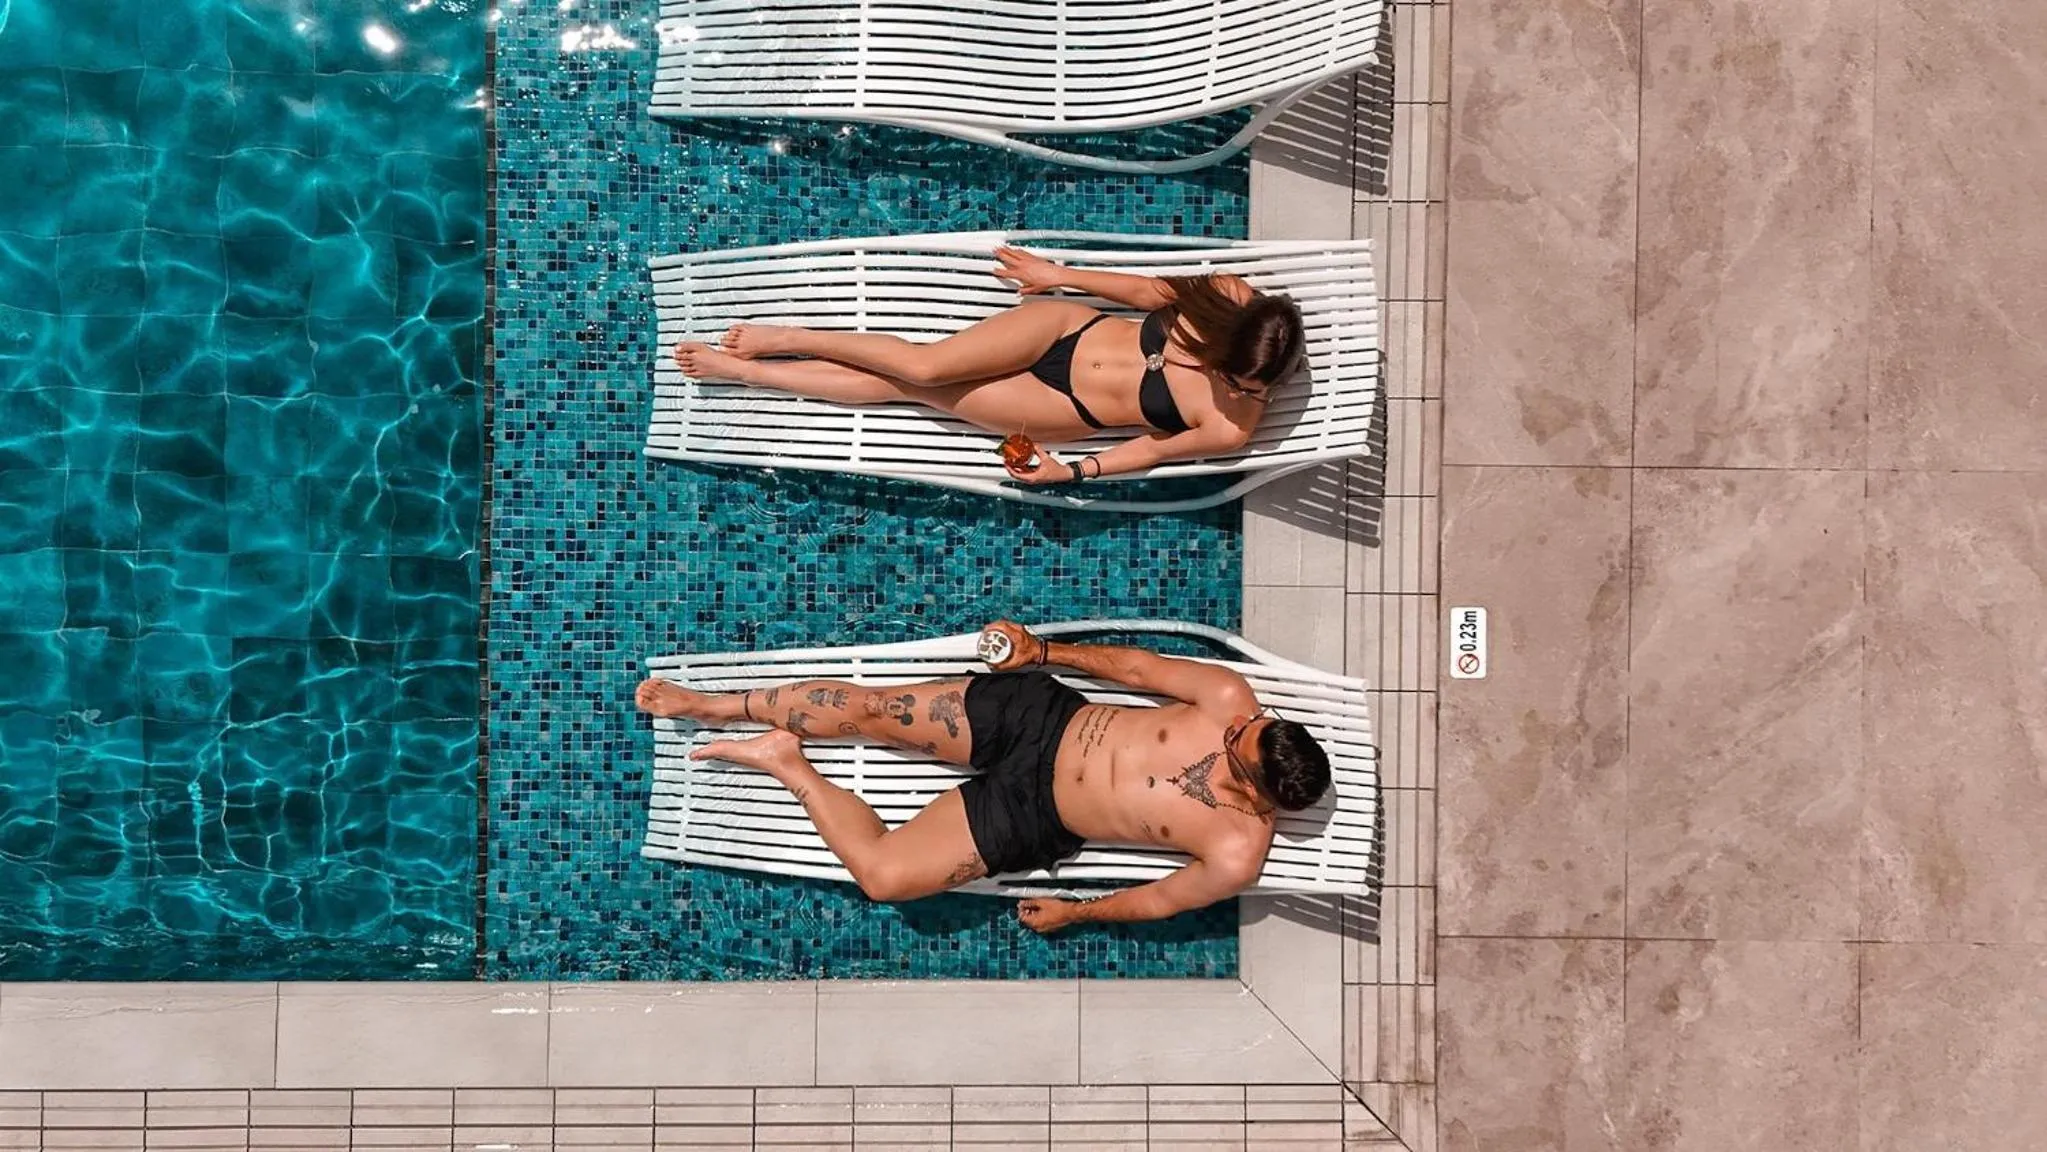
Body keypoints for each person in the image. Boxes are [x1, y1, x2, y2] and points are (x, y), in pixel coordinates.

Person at [633, 621, 1333, 933]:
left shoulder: (1236, 851)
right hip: (1039, 718)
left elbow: (1159, 902)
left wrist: (1077, 913)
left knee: (885, 879)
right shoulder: (1230, 700)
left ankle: (785, 760)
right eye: (1253, 723)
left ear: (1255, 789)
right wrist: (1042, 652)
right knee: (876, 710)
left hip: (1036, 814)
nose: (1238, 726)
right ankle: (715, 706)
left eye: (1240, 744)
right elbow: (1138, 669)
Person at [670, 246, 1308, 486]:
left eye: (1242, 386)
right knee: (925, 367)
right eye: (1228, 371)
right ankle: (791, 336)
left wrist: (1074, 471)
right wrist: (1059, 275)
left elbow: (1151, 449)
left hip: (1066, 407)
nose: (1227, 384)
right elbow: (1148, 293)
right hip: (1067, 328)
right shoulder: (1227, 297)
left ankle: (750, 375)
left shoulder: (1231, 425)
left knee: (906, 390)